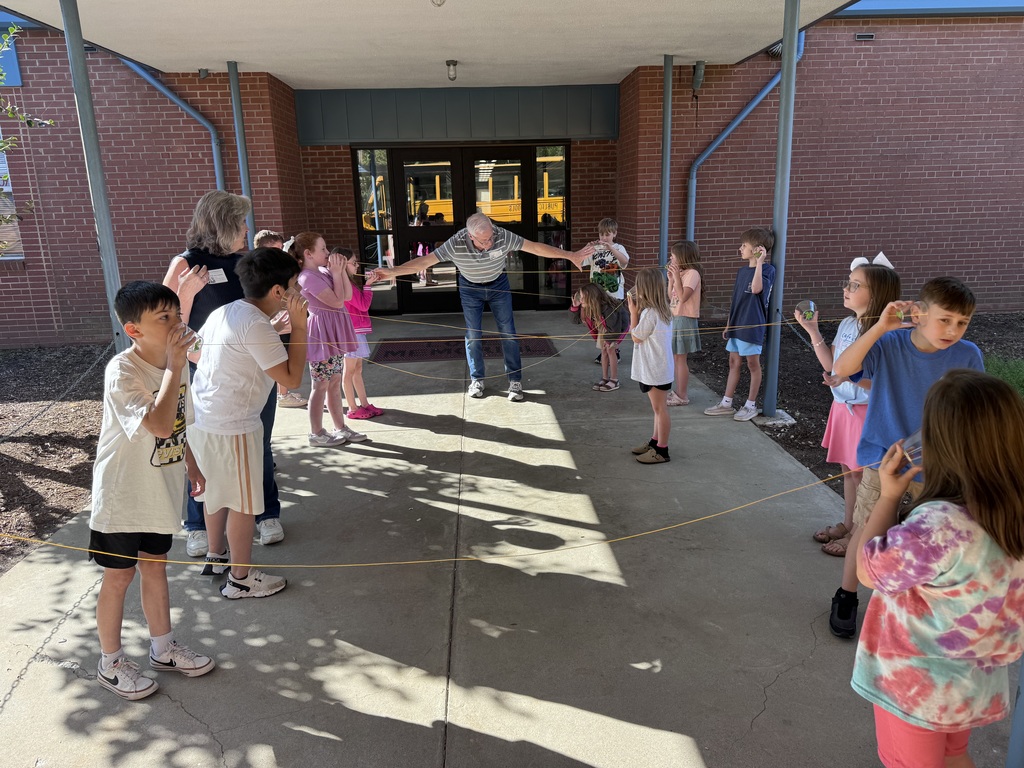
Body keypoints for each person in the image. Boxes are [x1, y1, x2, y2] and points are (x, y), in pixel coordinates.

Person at [852, 369, 1024, 768]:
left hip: (917, 687)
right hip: (971, 682)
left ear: (940, 443)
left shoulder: (939, 527)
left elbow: (867, 570)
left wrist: (888, 497)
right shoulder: (1012, 513)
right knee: (954, 756)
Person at [827, 276, 985, 639]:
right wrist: (880, 327)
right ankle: (846, 594)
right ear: (918, 314)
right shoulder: (890, 343)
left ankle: (904, 605)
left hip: (939, 469)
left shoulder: (968, 356)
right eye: (945, 320)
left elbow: (974, 410)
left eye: (962, 322)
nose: (953, 330)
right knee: (867, 530)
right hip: (884, 461)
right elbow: (844, 369)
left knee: (922, 538)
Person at [89, 281, 215, 700]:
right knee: (119, 576)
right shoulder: (123, 371)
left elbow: (177, 425)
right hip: (122, 494)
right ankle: (110, 663)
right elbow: (159, 425)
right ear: (134, 330)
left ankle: (163, 649)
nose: (176, 323)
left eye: (177, 314)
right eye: (164, 317)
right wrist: (176, 367)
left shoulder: (174, 365)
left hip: (159, 489)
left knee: (155, 567)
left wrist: (192, 465)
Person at [162, 192, 288, 552]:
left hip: (251, 373)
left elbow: (250, 316)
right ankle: (197, 524)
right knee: (203, 449)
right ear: (222, 224)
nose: (247, 229)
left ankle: (266, 513)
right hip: (202, 375)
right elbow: (164, 323)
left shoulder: (244, 262)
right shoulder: (185, 264)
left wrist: (273, 326)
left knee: (259, 442)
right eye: (241, 222)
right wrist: (186, 294)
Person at [367, 213, 591, 402]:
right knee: (473, 334)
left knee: (508, 332)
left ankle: (515, 381)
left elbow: (535, 247)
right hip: (470, 288)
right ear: (470, 236)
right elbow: (424, 262)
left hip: (498, 285)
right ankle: (477, 380)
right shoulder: (455, 243)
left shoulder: (501, 235)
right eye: (484, 241)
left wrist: (570, 255)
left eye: (491, 237)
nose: (490, 243)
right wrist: (393, 272)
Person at [189, 247, 308, 598]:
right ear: (278, 291)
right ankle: (240, 579)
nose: (299, 292)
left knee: (215, 493)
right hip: (234, 426)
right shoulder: (256, 325)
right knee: (242, 503)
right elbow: (291, 378)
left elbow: (202, 352)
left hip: (204, 419)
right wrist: (299, 327)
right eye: (295, 284)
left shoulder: (226, 311)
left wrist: (270, 330)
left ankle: (216, 555)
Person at [796, 255, 901, 557]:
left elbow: (886, 382)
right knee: (848, 471)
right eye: (849, 282)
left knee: (864, 476)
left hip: (867, 413)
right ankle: (848, 523)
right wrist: (813, 331)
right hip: (842, 409)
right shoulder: (846, 324)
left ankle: (858, 534)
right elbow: (832, 366)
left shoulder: (886, 333)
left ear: (876, 293)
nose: (846, 288)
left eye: (855, 285)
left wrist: (849, 378)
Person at [291, 233, 367, 446]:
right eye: (323, 249)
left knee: (334, 381)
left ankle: (340, 427)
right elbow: (336, 302)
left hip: (334, 330)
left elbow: (347, 296)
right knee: (320, 384)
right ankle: (316, 433)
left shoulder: (324, 271)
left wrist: (340, 271)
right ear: (308, 254)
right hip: (321, 334)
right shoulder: (307, 277)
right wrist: (336, 272)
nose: (328, 252)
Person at [704, 227, 776, 422]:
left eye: (744, 245)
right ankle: (726, 403)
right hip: (737, 323)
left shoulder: (768, 270)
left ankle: (750, 405)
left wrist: (759, 263)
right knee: (733, 362)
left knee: (753, 364)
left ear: (757, 249)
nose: (740, 248)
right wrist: (729, 324)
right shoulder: (742, 271)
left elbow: (756, 289)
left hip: (752, 325)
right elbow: (736, 299)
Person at [257, 229, 308, 410]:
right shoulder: (263, 272)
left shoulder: (277, 268)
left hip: (283, 321)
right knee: (280, 358)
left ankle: (283, 393)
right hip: (274, 323)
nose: (281, 252)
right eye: (276, 249)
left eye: (281, 248)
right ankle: (283, 395)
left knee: (283, 356)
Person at [627, 268, 674, 464]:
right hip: (658, 368)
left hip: (656, 370)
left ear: (645, 289)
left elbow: (636, 337)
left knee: (660, 409)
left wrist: (633, 313)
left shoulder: (650, 313)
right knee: (657, 409)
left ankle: (662, 450)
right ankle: (655, 442)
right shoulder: (663, 310)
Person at [336, 247, 383, 419]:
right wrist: (368, 286)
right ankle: (353, 408)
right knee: (349, 372)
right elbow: (363, 305)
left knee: (357, 369)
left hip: (356, 331)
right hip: (351, 332)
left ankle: (364, 404)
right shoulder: (346, 285)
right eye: (354, 263)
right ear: (343, 264)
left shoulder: (349, 283)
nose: (357, 266)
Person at [570, 282, 629, 392]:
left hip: (618, 327)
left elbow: (615, 327)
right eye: (580, 297)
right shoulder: (587, 307)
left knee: (610, 349)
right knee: (603, 351)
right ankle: (605, 378)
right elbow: (576, 321)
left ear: (592, 297)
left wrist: (610, 340)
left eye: (583, 297)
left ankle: (614, 380)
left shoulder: (608, 308)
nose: (581, 299)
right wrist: (575, 307)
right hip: (604, 326)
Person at [665, 240, 704, 407]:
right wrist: (671, 280)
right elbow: (671, 297)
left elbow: (683, 297)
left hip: (685, 318)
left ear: (683, 257)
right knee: (676, 357)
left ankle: (682, 395)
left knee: (680, 359)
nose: (671, 259)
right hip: (675, 317)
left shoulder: (692, 274)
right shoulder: (681, 274)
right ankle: (679, 391)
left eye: (673, 256)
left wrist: (676, 278)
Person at [581, 217, 630, 300]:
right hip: (597, 293)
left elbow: (625, 261)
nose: (604, 238)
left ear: (614, 234)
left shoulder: (618, 248)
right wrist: (586, 248)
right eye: (601, 234)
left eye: (607, 235)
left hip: (615, 293)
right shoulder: (595, 249)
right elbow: (580, 262)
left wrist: (611, 248)